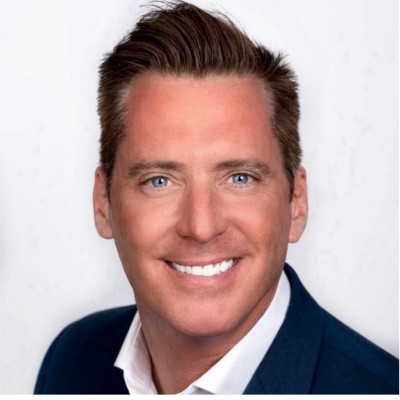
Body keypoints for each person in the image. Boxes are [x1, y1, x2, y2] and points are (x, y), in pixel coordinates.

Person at [34, 1, 398, 394]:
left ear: (296, 202)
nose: (201, 226)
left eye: (240, 178)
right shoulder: (71, 360)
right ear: (103, 203)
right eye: (159, 181)